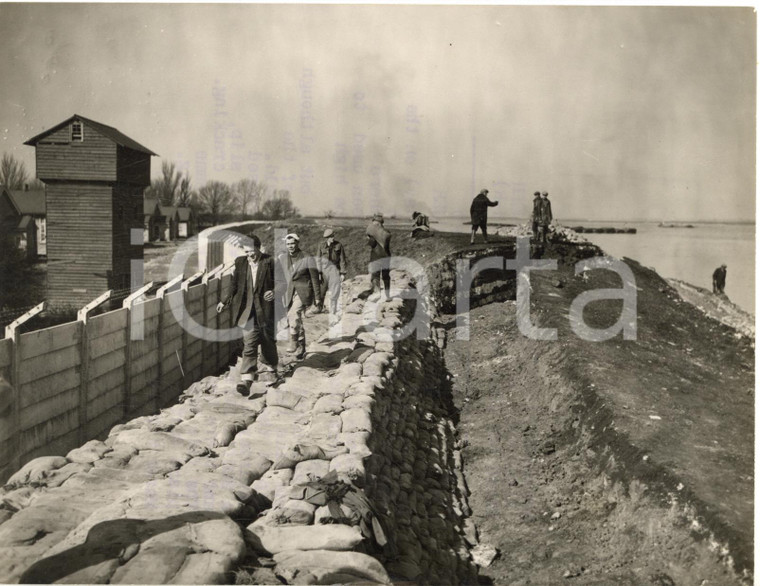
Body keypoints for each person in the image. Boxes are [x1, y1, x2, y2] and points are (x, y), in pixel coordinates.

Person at [217, 233, 279, 394]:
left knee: (267, 341)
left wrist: (274, 291)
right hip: (247, 310)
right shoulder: (240, 262)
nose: (249, 255)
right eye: (246, 252)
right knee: (249, 343)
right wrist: (224, 301)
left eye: (251, 251)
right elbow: (234, 285)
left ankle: (272, 368)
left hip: (265, 310)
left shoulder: (270, 261)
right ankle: (247, 380)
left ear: (259, 248)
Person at [277, 233, 321, 360]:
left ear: (297, 243)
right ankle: (302, 348)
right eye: (288, 244)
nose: (290, 246)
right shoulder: (283, 258)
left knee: (293, 314)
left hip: (303, 291)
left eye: (293, 243)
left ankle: (293, 341)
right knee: (296, 319)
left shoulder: (307, 257)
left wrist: (318, 297)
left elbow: (314, 278)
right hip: (288, 292)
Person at [316, 228, 347, 322]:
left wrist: (342, 273)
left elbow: (342, 260)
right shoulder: (321, 246)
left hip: (335, 270)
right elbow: (318, 260)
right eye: (330, 237)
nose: (332, 238)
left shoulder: (338, 245)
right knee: (321, 291)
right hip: (324, 271)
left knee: (335, 291)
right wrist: (319, 273)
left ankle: (332, 311)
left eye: (333, 236)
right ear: (326, 238)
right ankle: (319, 308)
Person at [366, 213, 392, 299]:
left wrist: (369, 238)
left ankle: (377, 293)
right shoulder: (387, 233)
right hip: (386, 256)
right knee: (386, 276)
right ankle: (388, 296)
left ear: (377, 223)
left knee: (375, 275)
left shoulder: (372, 231)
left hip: (376, 256)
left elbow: (371, 242)